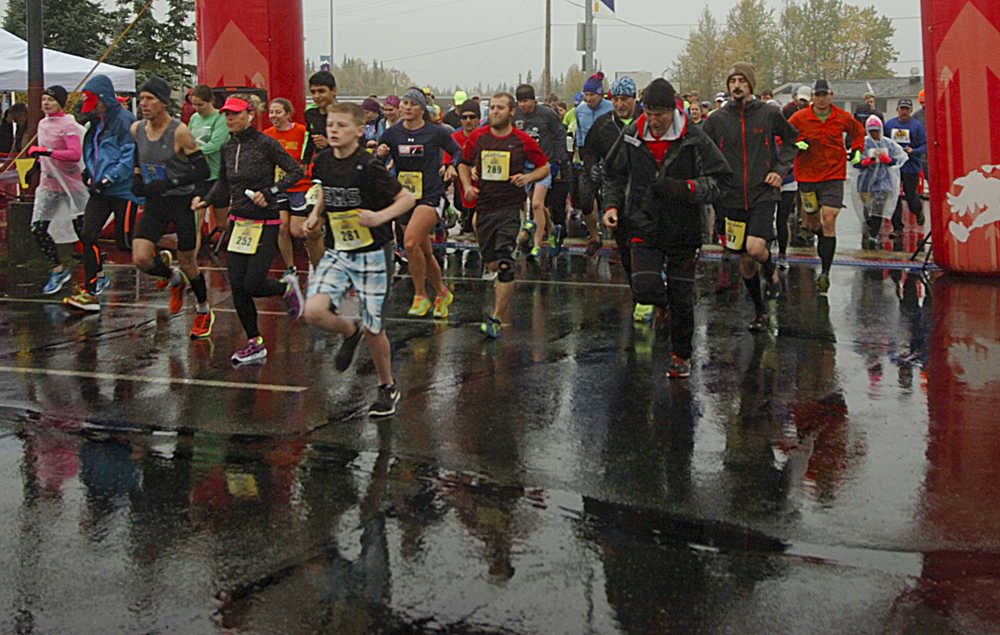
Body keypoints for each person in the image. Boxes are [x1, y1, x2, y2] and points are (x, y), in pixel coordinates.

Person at [602, 79, 731, 378]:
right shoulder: (633, 133)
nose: (655, 120)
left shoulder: (694, 138)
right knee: (644, 287)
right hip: (643, 221)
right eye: (650, 112)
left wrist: (685, 188)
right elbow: (613, 173)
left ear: (673, 110)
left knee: (682, 294)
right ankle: (668, 309)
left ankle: (680, 356)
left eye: (661, 114)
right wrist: (611, 206)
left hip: (683, 226)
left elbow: (721, 181)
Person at [303, 103, 415, 417]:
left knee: (373, 327)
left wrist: (379, 217)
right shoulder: (323, 160)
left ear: (359, 130)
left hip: (372, 254)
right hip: (338, 250)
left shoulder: (369, 167)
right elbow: (325, 190)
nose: (333, 130)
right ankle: (347, 332)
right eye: (330, 125)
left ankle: (387, 385)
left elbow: (406, 198)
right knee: (313, 311)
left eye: (341, 125)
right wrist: (315, 215)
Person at [193, 95, 305, 363]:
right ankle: (255, 341)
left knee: (253, 284)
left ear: (250, 115)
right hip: (239, 223)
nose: (230, 119)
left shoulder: (266, 143)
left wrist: (270, 192)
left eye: (235, 114)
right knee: (238, 287)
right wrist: (206, 200)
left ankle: (286, 289)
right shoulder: (228, 147)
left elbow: (295, 171)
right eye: (227, 115)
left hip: (265, 221)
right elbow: (223, 182)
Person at [704, 62, 799, 331]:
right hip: (731, 197)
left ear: (751, 85)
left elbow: (794, 141)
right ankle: (759, 311)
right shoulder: (716, 119)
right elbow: (700, 149)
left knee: (755, 248)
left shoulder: (769, 114)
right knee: (744, 259)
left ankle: (770, 268)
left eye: (742, 81)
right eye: (732, 81)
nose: (736, 86)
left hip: (763, 192)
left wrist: (780, 170)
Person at [128, 77, 215, 338]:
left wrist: (171, 182)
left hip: (181, 200)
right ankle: (173, 278)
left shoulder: (180, 132)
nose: (144, 104)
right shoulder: (137, 129)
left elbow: (203, 169)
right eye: (141, 98)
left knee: (189, 262)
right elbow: (137, 154)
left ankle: (203, 310)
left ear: (163, 103)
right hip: (156, 201)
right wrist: (135, 177)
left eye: (150, 99)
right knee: (141, 258)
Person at [458, 93, 549, 338]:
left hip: (511, 208)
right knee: (491, 264)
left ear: (511, 112)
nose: (495, 111)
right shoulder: (478, 137)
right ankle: (525, 239)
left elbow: (545, 166)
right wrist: (467, 185)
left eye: (500, 108)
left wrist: (528, 178)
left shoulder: (522, 140)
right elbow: (462, 162)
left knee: (506, 264)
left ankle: (496, 317)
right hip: (485, 207)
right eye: (492, 108)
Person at [376, 87, 461, 319]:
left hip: (431, 195)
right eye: (404, 103)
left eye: (412, 104)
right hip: (405, 197)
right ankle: (442, 292)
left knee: (410, 243)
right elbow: (376, 159)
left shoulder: (436, 132)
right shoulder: (392, 134)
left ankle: (421, 295)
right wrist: (380, 154)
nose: (406, 108)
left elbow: (457, 151)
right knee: (424, 250)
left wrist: (452, 165)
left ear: (422, 109)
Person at [63, 74, 141, 312]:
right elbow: (91, 151)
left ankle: (165, 268)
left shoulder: (125, 121)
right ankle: (92, 288)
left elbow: (129, 155)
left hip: (124, 191)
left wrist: (110, 178)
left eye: (94, 101)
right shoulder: (95, 123)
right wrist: (89, 173)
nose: (92, 107)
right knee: (88, 234)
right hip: (100, 190)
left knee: (127, 244)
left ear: (104, 98)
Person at [788, 79, 866, 294]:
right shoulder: (800, 117)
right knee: (812, 222)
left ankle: (825, 272)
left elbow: (859, 132)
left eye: (825, 94)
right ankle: (819, 235)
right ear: (812, 97)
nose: (822, 99)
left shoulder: (842, 116)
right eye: (818, 95)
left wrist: (857, 149)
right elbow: (783, 136)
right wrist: (797, 143)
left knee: (829, 217)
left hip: (833, 175)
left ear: (831, 95)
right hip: (807, 176)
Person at [583, 76, 648, 320]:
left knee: (646, 244)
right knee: (625, 245)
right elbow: (588, 151)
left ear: (635, 99)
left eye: (625, 99)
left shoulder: (647, 121)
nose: (620, 104)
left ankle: (649, 291)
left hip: (645, 192)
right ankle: (637, 291)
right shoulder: (603, 124)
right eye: (616, 99)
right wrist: (592, 168)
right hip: (617, 193)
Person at [27, 86, 89, 295]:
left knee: (83, 231)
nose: (45, 103)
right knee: (38, 228)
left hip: (71, 185)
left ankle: (94, 273)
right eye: (43, 99)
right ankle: (58, 268)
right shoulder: (42, 124)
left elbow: (73, 153)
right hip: (49, 184)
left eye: (51, 100)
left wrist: (46, 151)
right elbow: (43, 155)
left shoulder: (69, 125)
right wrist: (35, 166)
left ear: (60, 102)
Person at [263, 97, 324, 273]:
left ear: (288, 114)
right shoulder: (267, 135)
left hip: (300, 186)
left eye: (278, 112)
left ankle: (317, 263)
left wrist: (306, 171)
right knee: (282, 228)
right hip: (279, 186)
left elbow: (310, 156)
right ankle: (290, 267)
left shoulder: (301, 131)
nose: (274, 116)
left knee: (298, 231)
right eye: (271, 112)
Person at [513, 83, 566, 260]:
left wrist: (558, 160)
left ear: (534, 100)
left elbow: (560, 135)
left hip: (544, 164)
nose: (523, 105)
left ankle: (537, 245)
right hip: (525, 166)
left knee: (536, 204)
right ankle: (552, 229)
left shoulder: (547, 114)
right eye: (520, 101)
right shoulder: (515, 115)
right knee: (539, 206)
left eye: (526, 101)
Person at [850, 114, 907, 249]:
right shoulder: (861, 143)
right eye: (872, 131)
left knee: (878, 209)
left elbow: (900, 158)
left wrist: (889, 161)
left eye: (876, 130)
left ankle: (874, 235)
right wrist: (864, 162)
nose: (874, 134)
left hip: (883, 182)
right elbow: (853, 161)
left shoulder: (888, 144)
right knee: (867, 209)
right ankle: (869, 229)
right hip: (865, 183)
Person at [574, 73, 614, 257]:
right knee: (585, 199)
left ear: (601, 94)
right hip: (589, 158)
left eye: (592, 95)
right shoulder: (580, 110)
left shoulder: (611, 109)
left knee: (614, 199)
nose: (589, 99)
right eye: (586, 95)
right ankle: (594, 237)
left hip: (610, 156)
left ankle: (614, 238)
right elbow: (581, 139)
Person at [186, 84, 230, 240]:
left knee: (222, 223)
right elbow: (188, 140)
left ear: (210, 101)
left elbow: (216, 145)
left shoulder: (220, 118)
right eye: (194, 104)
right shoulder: (194, 118)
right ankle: (192, 260)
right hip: (199, 176)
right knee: (195, 222)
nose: (197, 108)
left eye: (200, 104)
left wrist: (193, 152)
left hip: (216, 175)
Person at [884, 98, 927, 231]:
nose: (904, 112)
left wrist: (913, 151)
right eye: (902, 109)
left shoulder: (917, 126)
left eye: (907, 109)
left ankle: (918, 211)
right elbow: (883, 142)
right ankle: (897, 227)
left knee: (910, 196)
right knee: (894, 197)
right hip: (894, 167)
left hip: (911, 167)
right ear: (897, 110)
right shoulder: (889, 125)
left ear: (911, 111)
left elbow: (925, 145)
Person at [443, 99, 481, 235]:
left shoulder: (485, 135)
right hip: (461, 178)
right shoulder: (454, 137)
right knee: (460, 203)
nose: (468, 120)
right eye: (464, 117)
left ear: (479, 118)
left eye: (472, 117)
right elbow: (448, 158)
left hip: (481, 178)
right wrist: (449, 167)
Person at [303, 71, 337, 166]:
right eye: (313, 92)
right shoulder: (310, 114)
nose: (317, 96)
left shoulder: (346, 114)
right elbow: (309, 139)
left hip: (342, 165)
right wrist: (305, 162)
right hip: (320, 165)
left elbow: (357, 145)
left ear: (334, 90)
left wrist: (329, 143)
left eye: (321, 91)